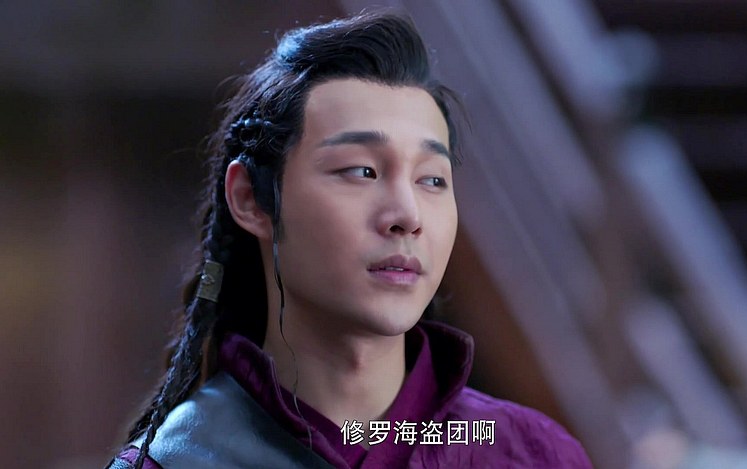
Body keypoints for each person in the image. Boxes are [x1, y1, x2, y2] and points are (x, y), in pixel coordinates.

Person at [107, 10, 592, 469]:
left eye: (432, 179)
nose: (407, 216)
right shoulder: (180, 459)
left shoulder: (529, 453)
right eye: (361, 171)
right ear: (251, 198)